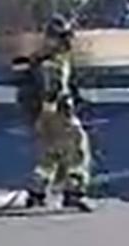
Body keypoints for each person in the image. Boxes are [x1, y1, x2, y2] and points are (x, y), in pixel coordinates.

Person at [15, 14, 93, 212]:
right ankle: (74, 192)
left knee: (49, 153)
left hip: (44, 114)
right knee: (77, 148)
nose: (68, 41)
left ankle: (37, 191)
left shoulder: (42, 57)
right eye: (63, 37)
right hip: (56, 113)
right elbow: (52, 89)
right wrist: (53, 111)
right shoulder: (52, 61)